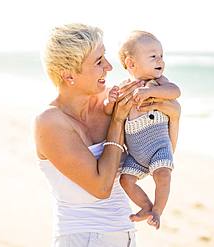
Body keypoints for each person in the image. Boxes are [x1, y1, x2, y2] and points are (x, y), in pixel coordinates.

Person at [34, 23, 181, 246]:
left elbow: (157, 154)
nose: (110, 67)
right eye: (99, 61)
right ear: (69, 76)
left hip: (125, 234)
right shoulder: (50, 122)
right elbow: (101, 188)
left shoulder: (110, 101)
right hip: (82, 238)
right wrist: (118, 120)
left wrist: (174, 116)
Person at [104, 30, 181, 229]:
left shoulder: (159, 82)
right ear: (131, 63)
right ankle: (146, 206)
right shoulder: (123, 87)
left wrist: (151, 91)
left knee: (163, 175)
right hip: (136, 155)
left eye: (162, 56)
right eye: (153, 56)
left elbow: (175, 91)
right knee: (126, 180)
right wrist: (110, 100)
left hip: (159, 148)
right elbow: (110, 112)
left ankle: (157, 210)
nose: (160, 61)